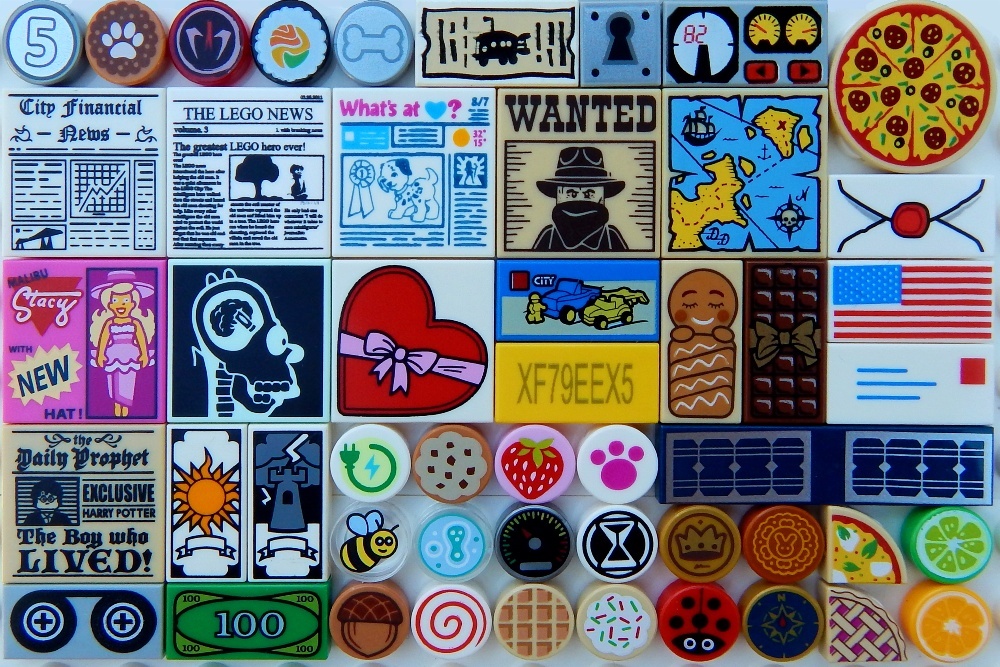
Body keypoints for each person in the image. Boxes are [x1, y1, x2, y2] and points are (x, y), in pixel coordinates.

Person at [532, 146, 628, 251]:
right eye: (571, 194)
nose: (580, 200)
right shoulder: (549, 237)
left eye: (589, 194)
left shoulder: (611, 237)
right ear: (558, 195)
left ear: (602, 196)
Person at [89, 270, 156, 417]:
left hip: (130, 356)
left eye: (125, 300)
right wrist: (100, 354)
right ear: (109, 304)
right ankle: (117, 414)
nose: (120, 304)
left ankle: (125, 414)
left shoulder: (135, 322)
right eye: (115, 300)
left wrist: (144, 354)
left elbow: (141, 340)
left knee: (127, 385)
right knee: (113, 386)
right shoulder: (109, 322)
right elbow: (103, 340)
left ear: (133, 303)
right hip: (112, 356)